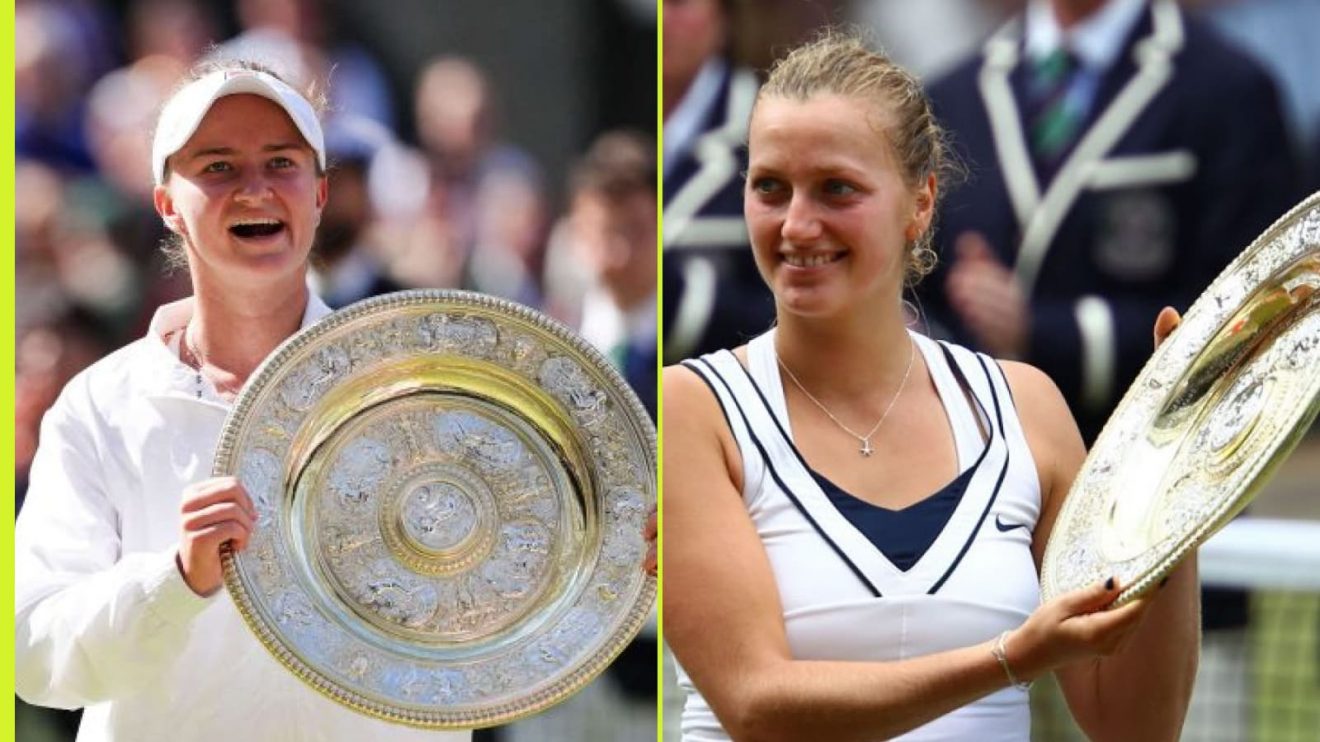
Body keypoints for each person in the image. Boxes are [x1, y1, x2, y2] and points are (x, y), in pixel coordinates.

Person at [14, 59, 655, 742]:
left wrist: (625, 550)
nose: (255, 188)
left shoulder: (426, 385)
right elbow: (33, 652)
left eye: (281, 163)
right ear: (167, 204)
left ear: (319, 194)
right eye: (218, 167)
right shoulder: (99, 406)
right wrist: (176, 580)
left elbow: (530, 583)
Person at [663, 31, 1200, 741]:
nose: (796, 223)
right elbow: (758, 707)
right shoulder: (693, 409)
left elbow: (1135, 727)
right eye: (770, 187)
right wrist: (1011, 660)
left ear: (920, 203)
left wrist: (1175, 477)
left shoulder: (1026, 408)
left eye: (836, 188)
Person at [661, 0, 774, 363]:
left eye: (678, 3)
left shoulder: (766, 132)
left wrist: (671, 297)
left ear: (724, 17)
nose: (663, 18)